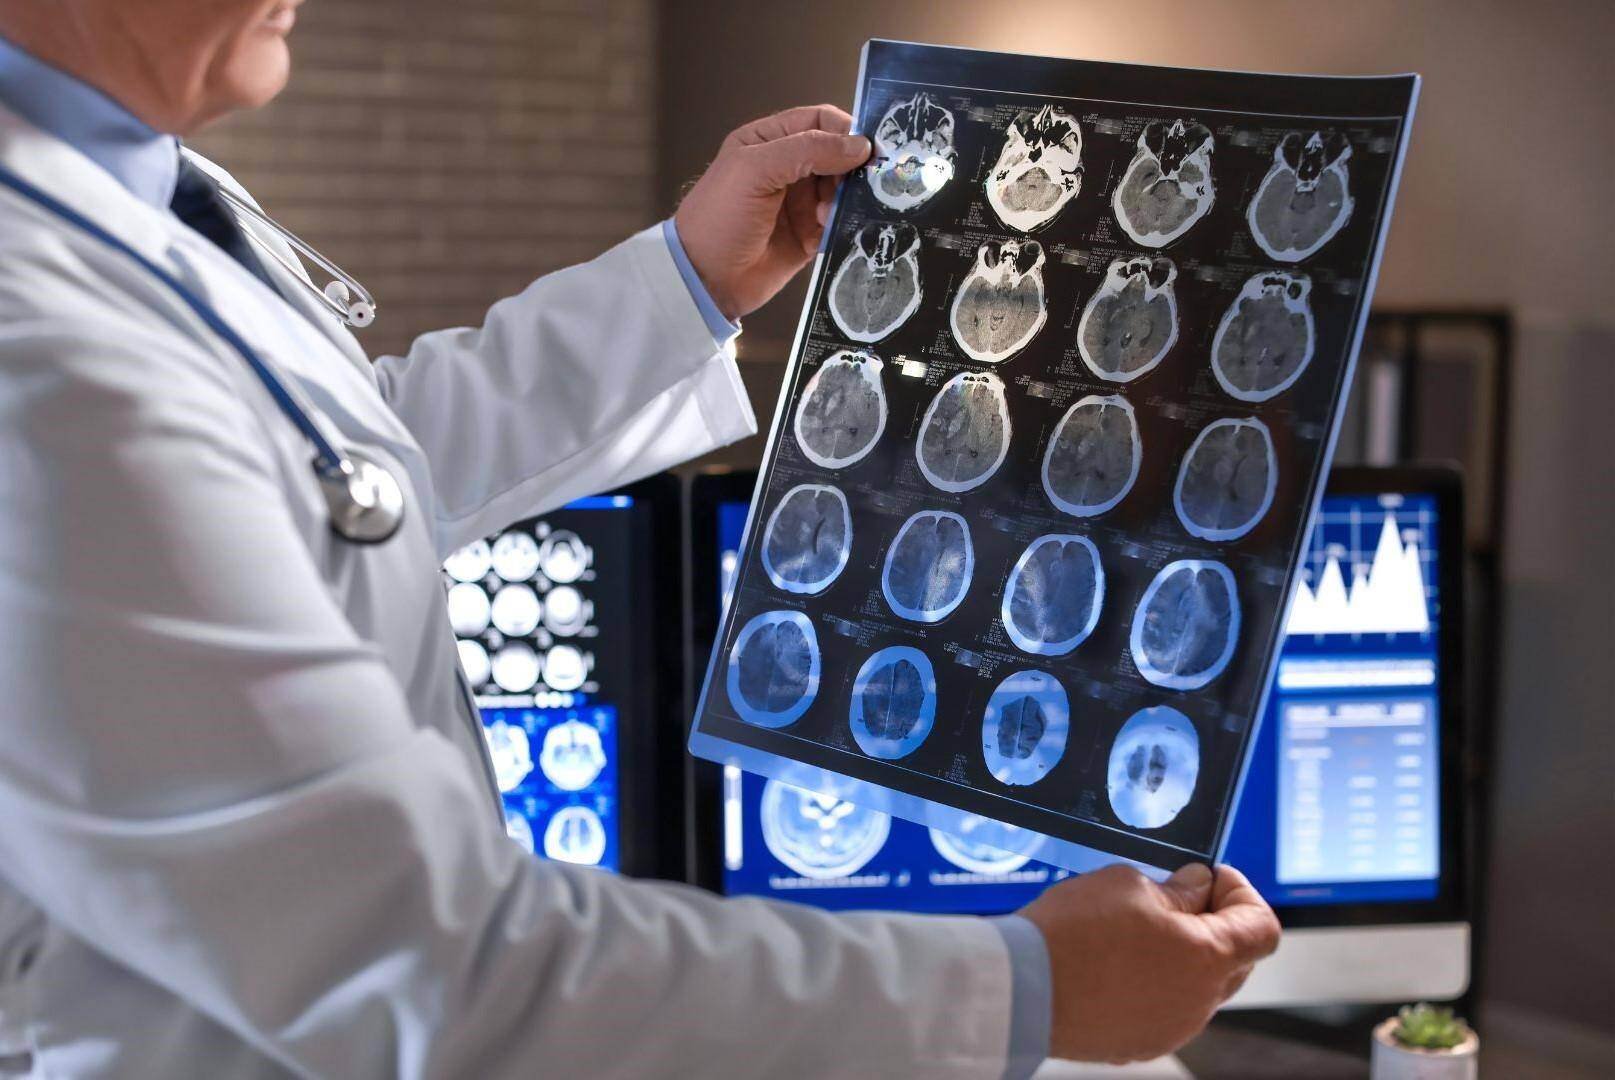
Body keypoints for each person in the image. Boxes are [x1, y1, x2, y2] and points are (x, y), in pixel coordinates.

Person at [0, 2, 1280, 1077]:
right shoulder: (35, 354)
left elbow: (337, 472)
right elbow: (418, 958)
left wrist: (684, 281)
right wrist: (1025, 989)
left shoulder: (121, 185)